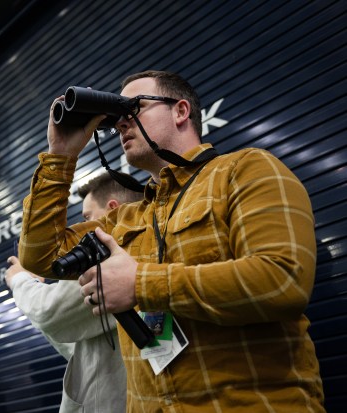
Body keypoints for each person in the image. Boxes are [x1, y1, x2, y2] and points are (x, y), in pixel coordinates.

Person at [19, 70, 325, 412]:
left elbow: (282, 281)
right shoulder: (127, 218)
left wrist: (141, 283)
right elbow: (40, 256)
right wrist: (60, 154)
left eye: (135, 108)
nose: (122, 123)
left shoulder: (246, 170)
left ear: (181, 111)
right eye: (119, 115)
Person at [6, 173, 143, 413]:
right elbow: (71, 336)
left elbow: (47, 311)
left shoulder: (110, 260)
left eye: (88, 217)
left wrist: (19, 279)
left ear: (113, 210)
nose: (83, 228)